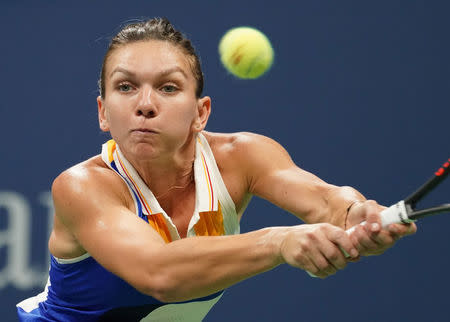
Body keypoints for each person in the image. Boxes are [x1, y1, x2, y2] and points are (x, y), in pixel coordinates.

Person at [16, 17, 416, 321]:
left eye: (168, 88)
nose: (145, 104)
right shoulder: (82, 186)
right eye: (125, 87)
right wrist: (279, 242)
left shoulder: (243, 157)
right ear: (103, 113)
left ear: (200, 113)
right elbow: (160, 275)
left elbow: (325, 198)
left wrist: (356, 213)